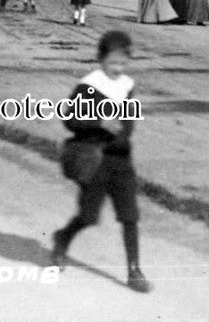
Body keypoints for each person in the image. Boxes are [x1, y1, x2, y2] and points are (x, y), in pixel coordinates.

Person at [51, 30, 151, 294]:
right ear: (100, 59)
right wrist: (99, 122)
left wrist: (124, 132)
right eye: (112, 63)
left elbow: (129, 122)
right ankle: (62, 238)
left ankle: (134, 270)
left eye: (122, 63)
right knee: (88, 216)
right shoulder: (89, 86)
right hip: (94, 160)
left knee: (130, 215)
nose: (118, 69)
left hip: (121, 160)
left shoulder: (127, 86)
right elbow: (70, 120)